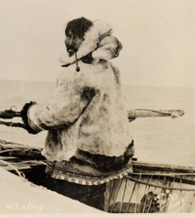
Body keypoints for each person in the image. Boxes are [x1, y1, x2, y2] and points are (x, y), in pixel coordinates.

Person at [21, 16, 134, 211]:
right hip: (108, 161)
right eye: (67, 36)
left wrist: (30, 113)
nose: (69, 42)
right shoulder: (110, 69)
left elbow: (54, 116)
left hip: (80, 164)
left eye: (76, 37)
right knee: (92, 208)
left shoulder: (79, 71)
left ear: (90, 40)